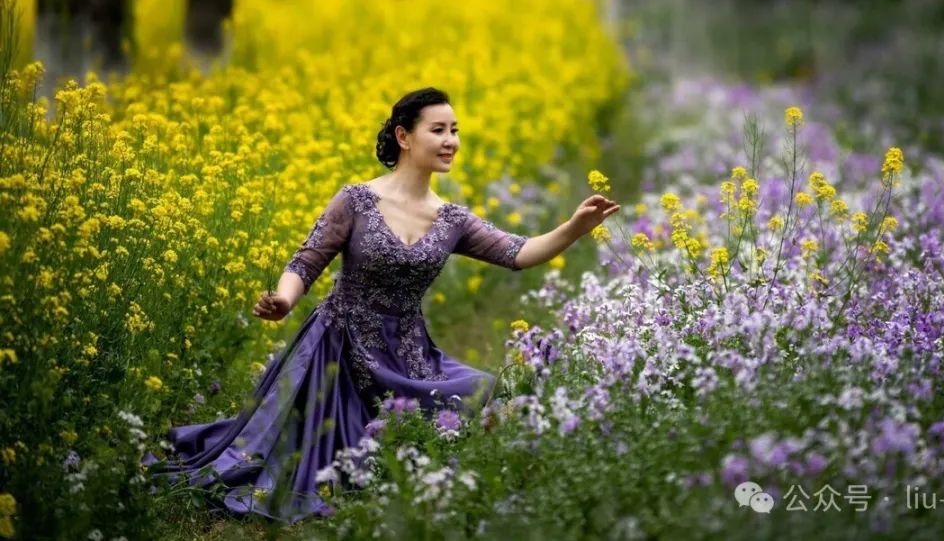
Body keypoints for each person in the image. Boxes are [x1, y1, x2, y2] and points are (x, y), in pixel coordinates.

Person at [142, 87, 620, 523]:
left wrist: (576, 227)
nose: (451, 140)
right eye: (439, 130)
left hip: (409, 353)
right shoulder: (356, 200)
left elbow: (518, 253)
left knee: (485, 391)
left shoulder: (451, 218)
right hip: (339, 351)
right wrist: (284, 301)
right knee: (321, 460)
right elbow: (306, 262)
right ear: (403, 137)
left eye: (455, 131)